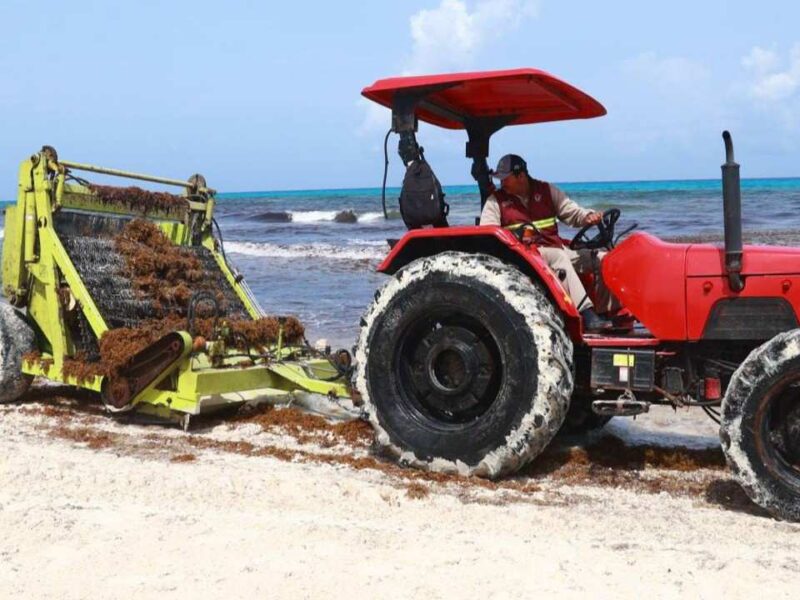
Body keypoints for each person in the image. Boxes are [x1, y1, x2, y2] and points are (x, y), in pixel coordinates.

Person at [479, 154, 613, 332]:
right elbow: (488, 235)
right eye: (500, 179)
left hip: (556, 248)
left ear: (521, 176)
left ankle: (608, 314)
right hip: (526, 258)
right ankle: (586, 315)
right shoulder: (495, 201)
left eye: (505, 178)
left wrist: (588, 216)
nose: (502, 183)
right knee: (558, 257)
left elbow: (572, 212)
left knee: (605, 259)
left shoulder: (547, 191)